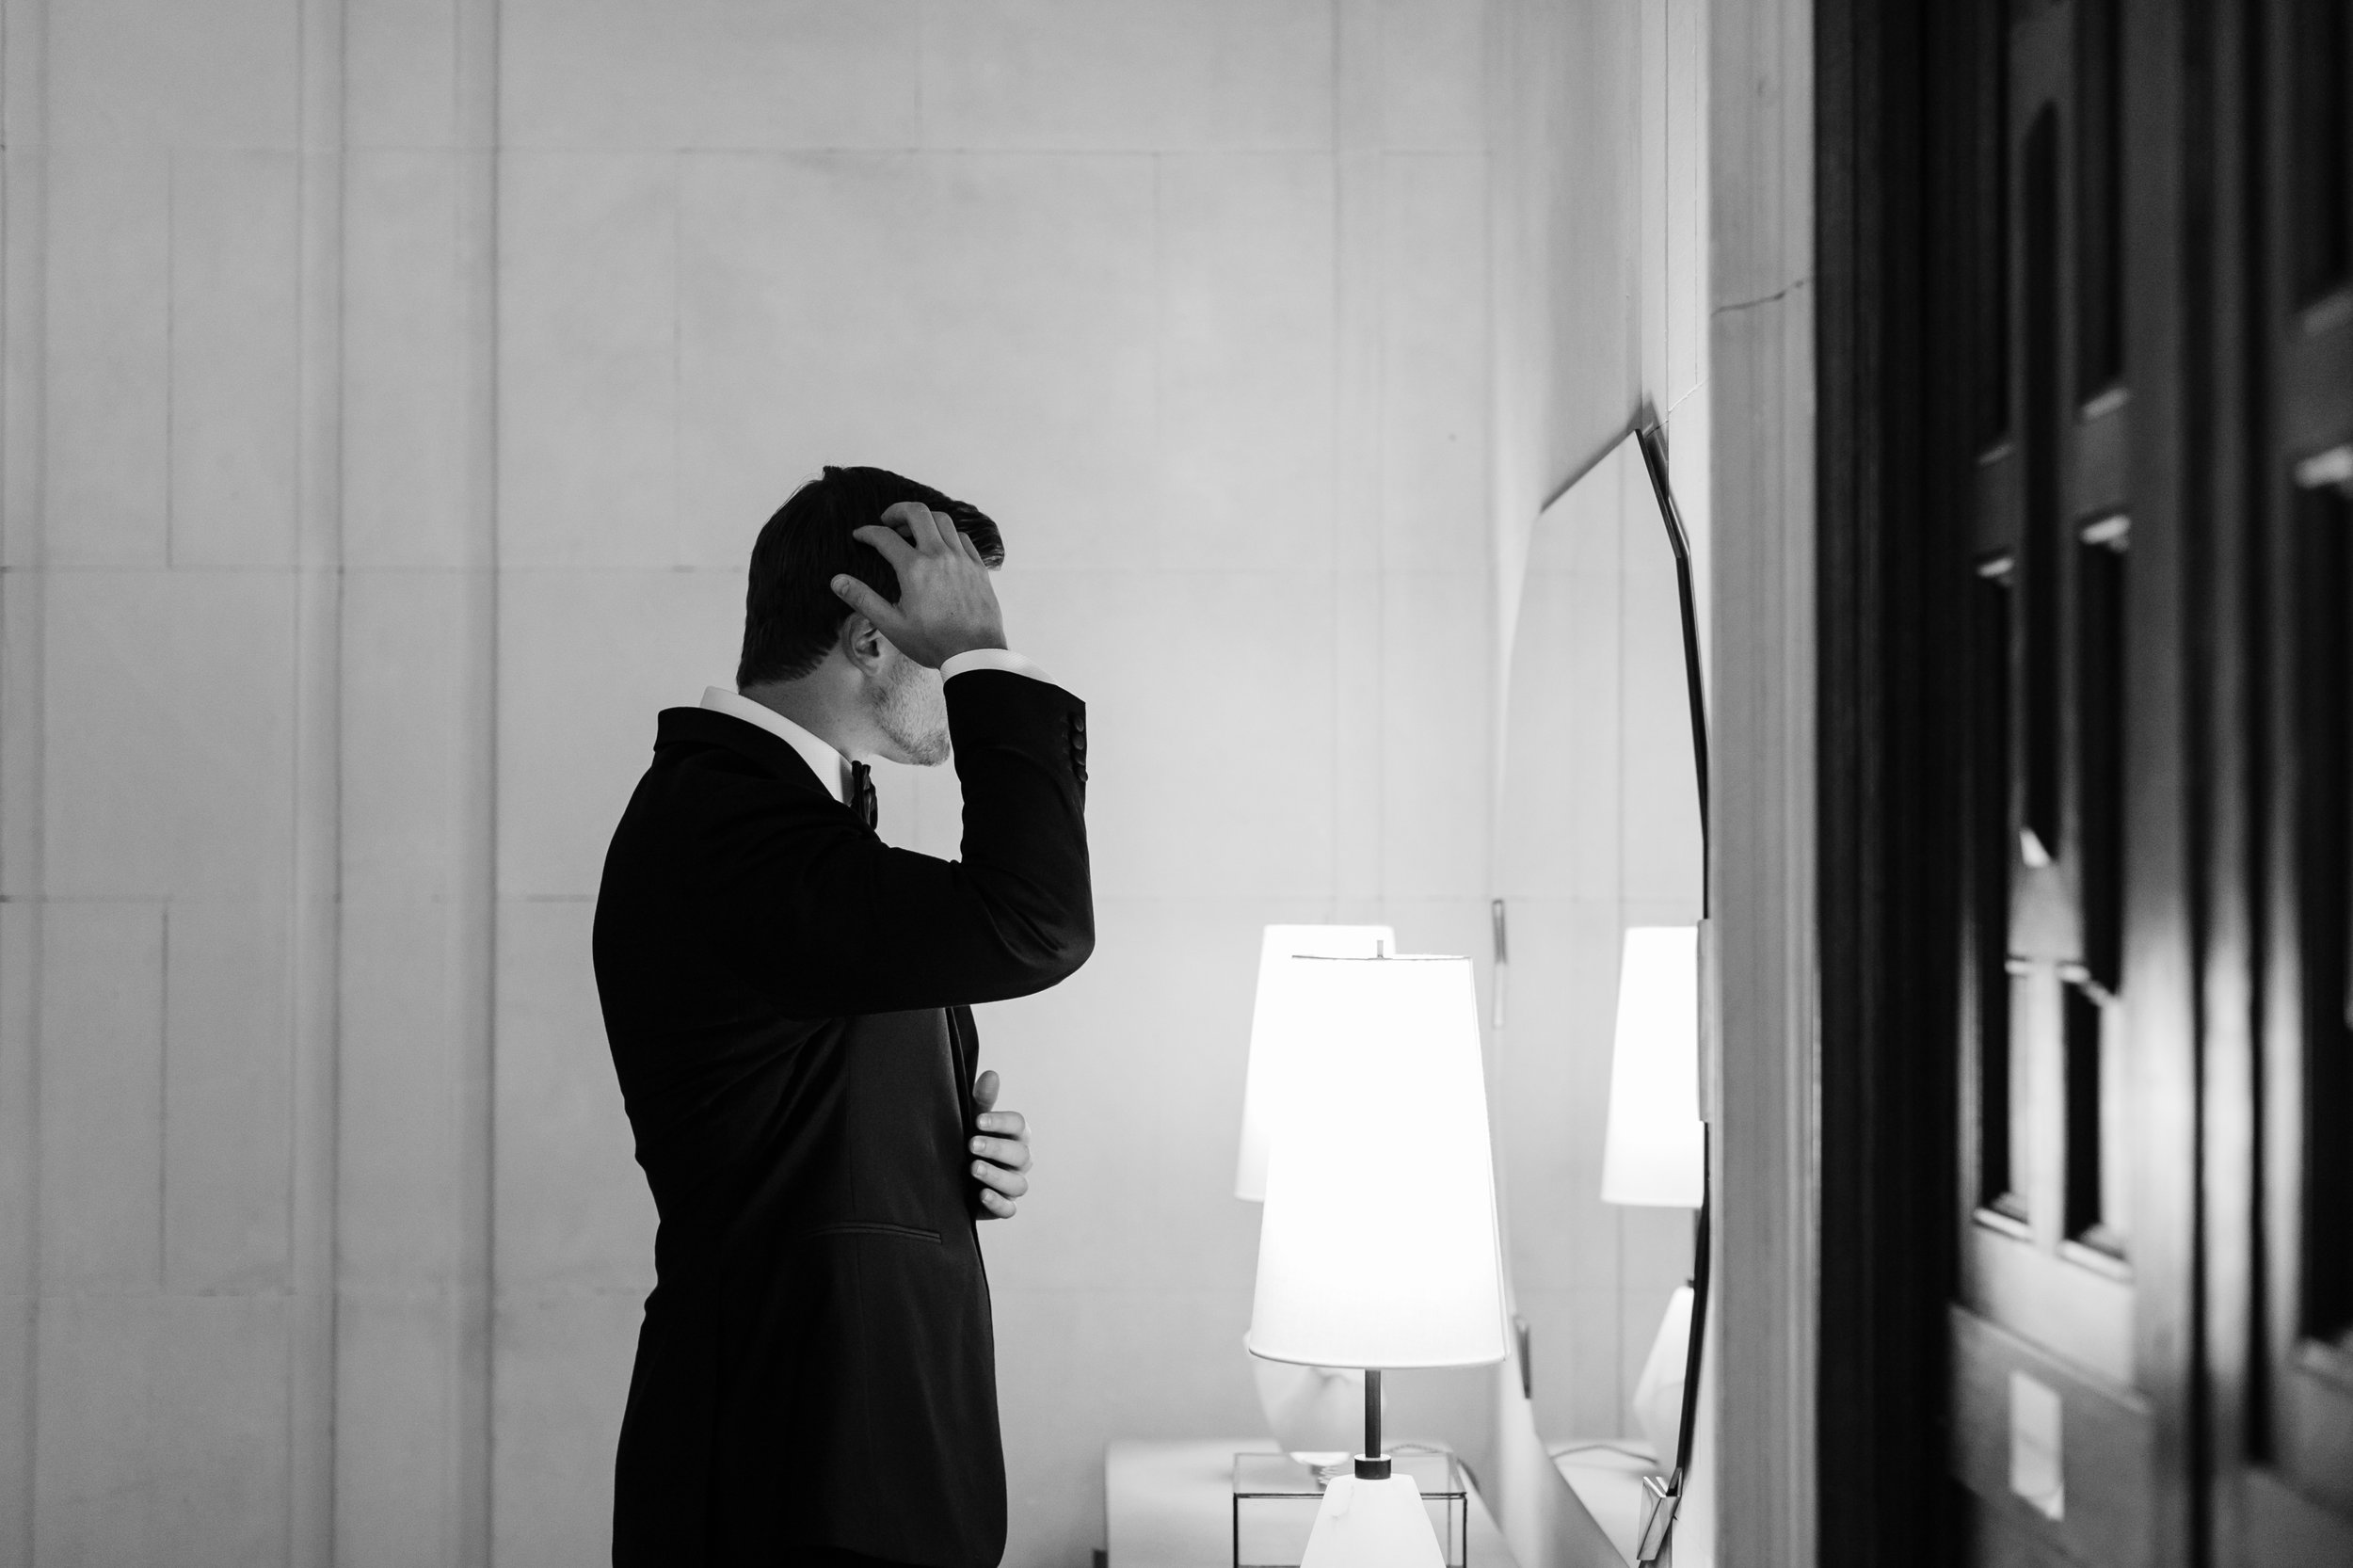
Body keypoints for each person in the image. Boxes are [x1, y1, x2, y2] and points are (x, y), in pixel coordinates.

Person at [593, 465, 1095, 1568]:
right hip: (792, 1487)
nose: (962, 674)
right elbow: (1038, 922)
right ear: (870, 637)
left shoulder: (788, 833)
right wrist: (987, 657)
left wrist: (949, 1151)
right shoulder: (726, 826)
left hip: (846, 1472)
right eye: (947, 635)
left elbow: (809, 1115)